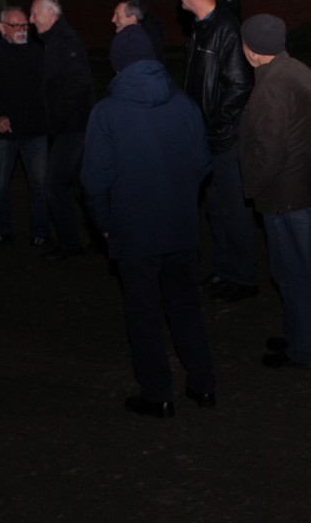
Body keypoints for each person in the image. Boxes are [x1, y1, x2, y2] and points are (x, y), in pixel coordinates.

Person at [81, 23, 216, 418]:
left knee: (143, 315)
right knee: (186, 309)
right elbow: (203, 164)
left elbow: (93, 181)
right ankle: (203, 384)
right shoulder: (184, 104)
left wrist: (105, 224)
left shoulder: (106, 113)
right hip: (179, 230)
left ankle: (157, 393)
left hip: (133, 233)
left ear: (118, 64)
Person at [238, 14, 311, 370]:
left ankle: (305, 352)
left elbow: (270, 151)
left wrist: (251, 186)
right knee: (295, 270)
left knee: (295, 275)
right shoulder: (298, 69)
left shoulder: (271, 86)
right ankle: (297, 338)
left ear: (251, 51)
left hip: (290, 197)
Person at [175, 0, 258, 302]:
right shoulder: (201, 27)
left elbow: (241, 84)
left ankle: (242, 277)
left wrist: (215, 125)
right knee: (216, 209)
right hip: (206, 139)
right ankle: (224, 271)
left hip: (223, 141)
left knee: (233, 210)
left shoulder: (225, 27)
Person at [0, 7, 49, 247]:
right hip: (2, 135)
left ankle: (40, 230)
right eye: (16, 26)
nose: (22, 30)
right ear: (2, 27)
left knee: (40, 184)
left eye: (25, 25)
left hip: (35, 132)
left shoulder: (39, 53)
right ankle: (3, 230)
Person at [30, 0, 96, 261]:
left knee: (53, 185)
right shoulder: (54, 41)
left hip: (73, 129)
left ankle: (70, 244)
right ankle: (104, 236)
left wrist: (63, 123)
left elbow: (78, 86)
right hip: (72, 128)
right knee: (84, 188)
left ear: (51, 14)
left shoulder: (65, 41)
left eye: (35, 14)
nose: (31, 19)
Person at [111, 0, 164, 64]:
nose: (113, 20)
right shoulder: (148, 34)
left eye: (117, 15)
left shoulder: (133, 39)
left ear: (132, 18)